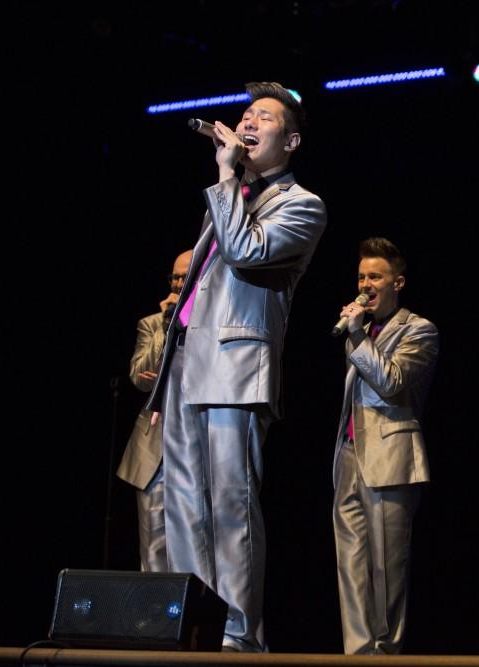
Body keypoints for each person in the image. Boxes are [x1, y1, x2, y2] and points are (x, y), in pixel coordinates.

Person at [146, 81, 327, 651]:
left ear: (290, 140)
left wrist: (227, 178)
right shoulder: (229, 198)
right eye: (245, 113)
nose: (248, 122)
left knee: (231, 506)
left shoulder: (303, 205)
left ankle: (239, 639)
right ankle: (189, 626)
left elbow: (247, 250)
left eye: (264, 117)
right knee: (182, 505)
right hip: (187, 363)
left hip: (236, 368)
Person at [331, 237, 438, 654]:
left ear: (398, 282)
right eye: (361, 276)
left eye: (375, 276)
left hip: (391, 457)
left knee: (387, 568)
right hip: (348, 455)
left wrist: (357, 336)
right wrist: (357, 335)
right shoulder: (359, 332)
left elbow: (391, 382)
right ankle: (357, 654)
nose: (366, 283)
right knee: (351, 564)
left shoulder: (420, 330)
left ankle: (386, 654)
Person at [118, 249, 191, 572]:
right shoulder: (151, 324)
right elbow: (140, 377)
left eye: (184, 276)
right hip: (154, 450)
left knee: (191, 550)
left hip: (193, 445)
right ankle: (153, 620)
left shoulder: (207, 328)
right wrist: (167, 324)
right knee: (153, 552)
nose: (177, 283)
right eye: (174, 276)